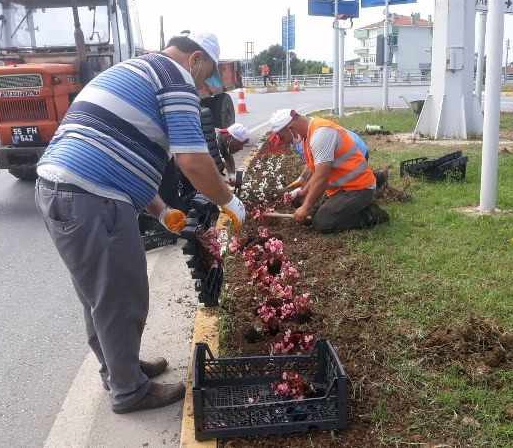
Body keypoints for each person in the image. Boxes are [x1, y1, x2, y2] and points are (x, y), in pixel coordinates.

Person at [34, 32, 246, 414]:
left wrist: (162, 210)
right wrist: (230, 202)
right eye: (204, 77)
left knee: (100, 296)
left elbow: (117, 153)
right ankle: (130, 391)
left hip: (61, 191)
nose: (201, 87)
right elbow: (193, 160)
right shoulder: (175, 77)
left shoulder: (134, 69)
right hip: (92, 199)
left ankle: (121, 369)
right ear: (195, 59)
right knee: (122, 298)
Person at [269, 108, 389, 233]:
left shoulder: (321, 134)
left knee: (322, 223)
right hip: (340, 188)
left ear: (291, 128)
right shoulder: (306, 136)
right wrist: (304, 192)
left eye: (282, 137)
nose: (284, 142)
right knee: (308, 217)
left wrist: (305, 206)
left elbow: (322, 178)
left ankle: (370, 215)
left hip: (358, 188)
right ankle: (352, 208)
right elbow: (316, 172)